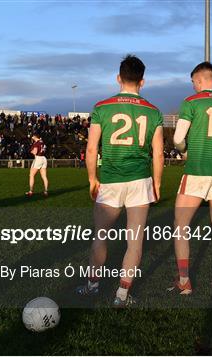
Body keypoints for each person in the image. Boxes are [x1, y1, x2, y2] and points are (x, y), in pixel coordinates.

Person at [76, 54, 164, 307]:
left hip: (111, 180)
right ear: (143, 82)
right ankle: (122, 295)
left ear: (118, 78)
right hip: (140, 181)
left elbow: (91, 149)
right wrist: (157, 183)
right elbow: (157, 153)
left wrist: (92, 179)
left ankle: (92, 286)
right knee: (134, 240)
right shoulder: (153, 111)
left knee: (100, 235)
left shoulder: (102, 107)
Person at [170, 62, 212, 295]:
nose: (193, 86)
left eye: (193, 82)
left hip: (197, 169)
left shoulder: (191, 102)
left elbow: (178, 139)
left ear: (199, 80)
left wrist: (184, 150)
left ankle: (185, 281)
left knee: (181, 226)